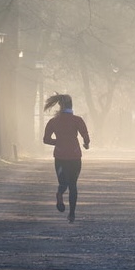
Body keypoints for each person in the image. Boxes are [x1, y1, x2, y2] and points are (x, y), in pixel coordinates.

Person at [42, 93, 90, 223]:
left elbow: (46, 139)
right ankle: (72, 214)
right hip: (75, 156)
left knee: (63, 183)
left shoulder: (53, 121)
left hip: (60, 156)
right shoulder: (77, 120)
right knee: (73, 185)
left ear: (59, 105)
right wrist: (86, 144)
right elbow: (85, 136)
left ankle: (59, 194)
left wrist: (57, 142)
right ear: (71, 105)